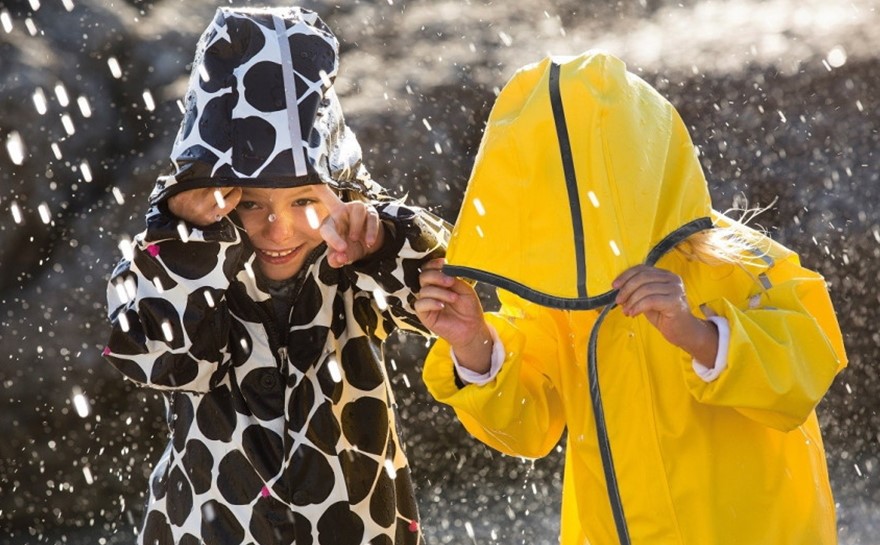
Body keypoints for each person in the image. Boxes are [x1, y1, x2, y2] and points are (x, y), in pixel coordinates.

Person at [415, 51, 847, 544]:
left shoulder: (743, 261)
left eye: (595, 168)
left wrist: (700, 335)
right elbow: (527, 431)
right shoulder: (549, 294)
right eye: (546, 177)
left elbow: (805, 375)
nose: (573, 195)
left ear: (643, 157)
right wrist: (474, 344)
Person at [103, 7, 447, 545]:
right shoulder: (171, 255)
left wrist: (380, 242)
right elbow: (159, 359)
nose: (278, 228)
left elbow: (446, 292)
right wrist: (188, 235)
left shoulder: (358, 254)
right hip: (210, 527)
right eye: (250, 204)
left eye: (306, 200)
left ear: (339, 189)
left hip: (357, 527)